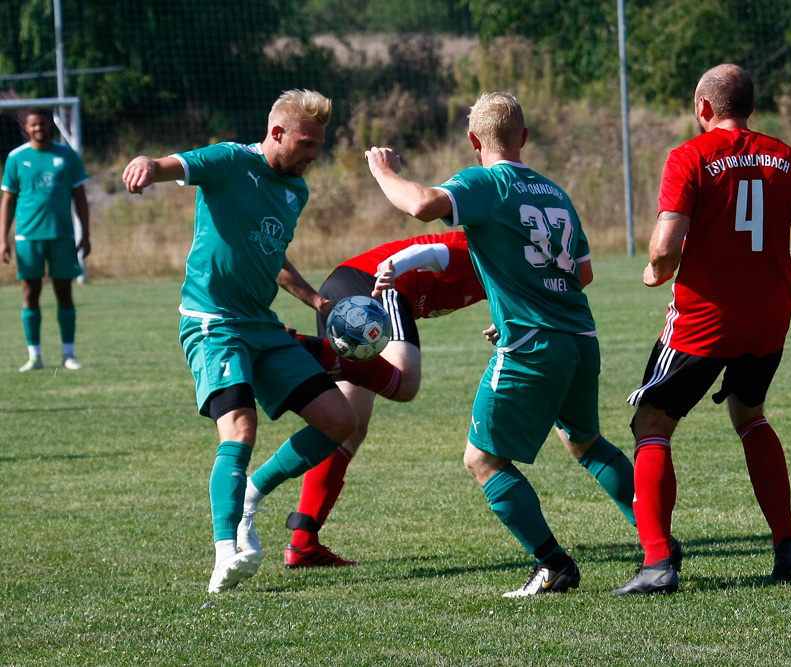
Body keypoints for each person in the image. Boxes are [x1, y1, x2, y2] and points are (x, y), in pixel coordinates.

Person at [365, 91, 637, 597]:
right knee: (586, 443)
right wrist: (525, 302)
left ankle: (552, 563)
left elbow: (422, 205)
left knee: (482, 460)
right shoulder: (555, 192)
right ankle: (659, 544)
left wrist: (382, 171)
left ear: (474, 141)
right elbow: (583, 272)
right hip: (579, 337)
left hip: (533, 344)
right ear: (525, 137)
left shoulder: (485, 181)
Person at [612, 64, 791, 596]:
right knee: (750, 415)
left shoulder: (689, 157)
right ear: (751, 107)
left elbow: (665, 248)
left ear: (703, 109)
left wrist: (656, 269)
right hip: (767, 319)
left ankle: (656, 564)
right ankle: (786, 542)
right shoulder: (787, 157)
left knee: (651, 423)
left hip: (705, 320)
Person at [121, 89, 358, 594]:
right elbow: (173, 165)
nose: (315, 155)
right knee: (240, 429)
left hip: (261, 325)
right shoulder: (228, 160)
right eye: (307, 143)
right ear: (277, 133)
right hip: (212, 322)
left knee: (340, 421)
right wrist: (146, 163)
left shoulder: (296, 192)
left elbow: (271, 255)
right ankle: (226, 552)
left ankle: (252, 493)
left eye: (319, 145)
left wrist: (317, 301)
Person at [282, 230, 488, 567]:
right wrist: (392, 270)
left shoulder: (506, 269)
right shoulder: (482, 249)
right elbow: (433, 251)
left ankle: (303, 541)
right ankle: (301, 348)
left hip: (347, 283)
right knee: (405, 380)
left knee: (347, 425)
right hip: (374, 283)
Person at [1, 107, 90, 371]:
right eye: (33, 125)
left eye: (42, 124)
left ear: (48, 125)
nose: (38, 129)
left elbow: (81, 198)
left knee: (64, 292)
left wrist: (86, 234)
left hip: (62, 236)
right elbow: (8, 200)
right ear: (26, 128)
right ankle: (34, 356)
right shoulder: (16, 158)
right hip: (28, 237)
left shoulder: (68, 157)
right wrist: (2, 239)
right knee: (31, 292)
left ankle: (68, 354)